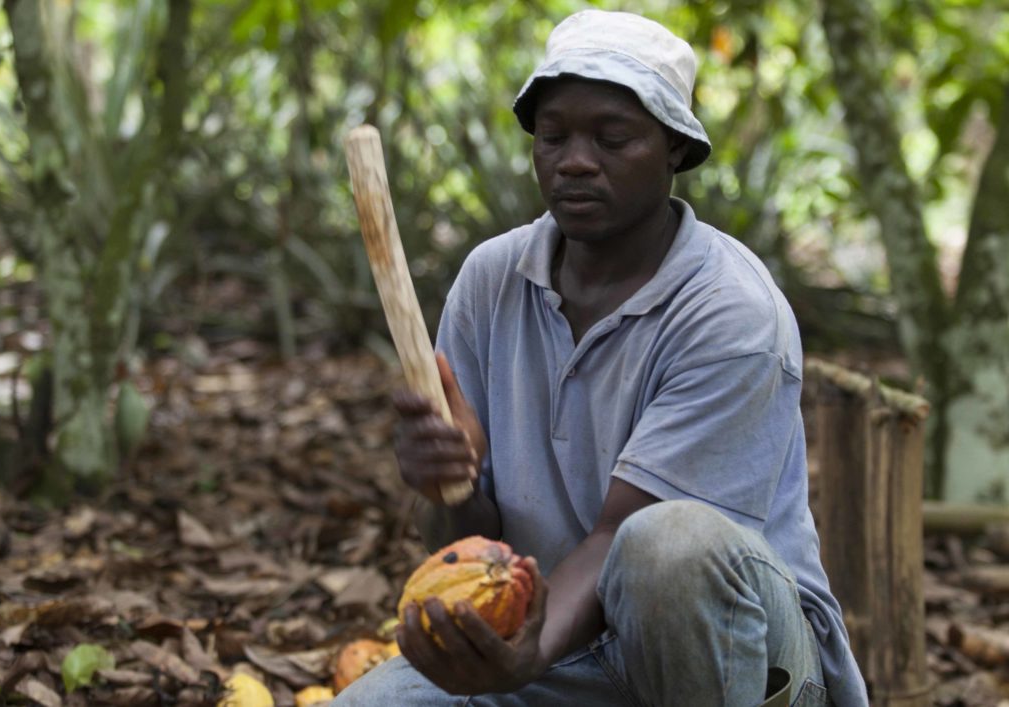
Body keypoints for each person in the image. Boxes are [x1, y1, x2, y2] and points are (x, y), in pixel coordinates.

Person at [335, 9, 868, 707]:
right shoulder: (492, 280)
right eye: (553, 136)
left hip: (731, 653)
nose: (574, 160)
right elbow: (472, 546)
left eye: (612, 137)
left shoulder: (732, 311)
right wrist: (452, 483)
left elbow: (631, 542)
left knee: (667, 544)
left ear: (674, 147)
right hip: (555, 634)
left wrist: (522, 657)